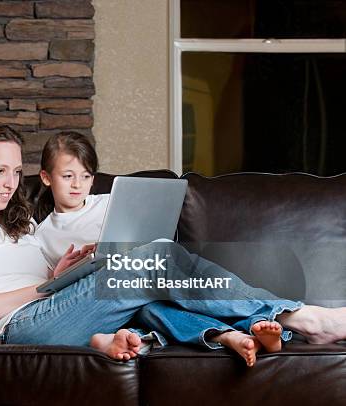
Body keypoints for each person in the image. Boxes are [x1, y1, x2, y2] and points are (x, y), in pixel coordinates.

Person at [0, 124, 346, 363]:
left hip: (51, 309)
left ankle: (241, 333)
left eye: (15, 171)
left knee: (151, 300)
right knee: (156, 258)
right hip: (13, 331)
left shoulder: (21, 224)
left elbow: (36, 283)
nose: (11, 183)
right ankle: (301, 317)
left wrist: (61, 276)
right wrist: (46, 289)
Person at [34, 131, 287, 366]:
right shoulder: (42, 234)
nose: (77, 184)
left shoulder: (110, 202)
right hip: (104, 303)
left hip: (140, 279)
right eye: (68, 176)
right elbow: (53, 297)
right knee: (150, 310)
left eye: (86, 176)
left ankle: (235, 334)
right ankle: (245, 329)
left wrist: (118, 250)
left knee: (157, 302)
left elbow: (149, 240)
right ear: (46, 178)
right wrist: (61, 274)